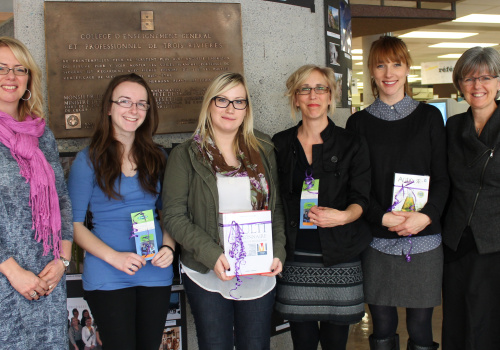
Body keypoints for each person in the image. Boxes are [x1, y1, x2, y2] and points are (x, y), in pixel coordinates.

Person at [163, 72, 286, 350]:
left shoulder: (264, 149)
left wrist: (278, 250)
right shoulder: (186, 154)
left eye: (239, 102)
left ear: (247, 109)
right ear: (209, 104)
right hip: (206, 272)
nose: (230, 109)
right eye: (223, 100)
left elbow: (275, 210)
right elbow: (173, 215)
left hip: (258, 273)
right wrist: (211, 253)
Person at [346, 36, 449, 350]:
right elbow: (357, 186)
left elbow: (443, 180)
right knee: (383, 326)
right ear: (372, 72)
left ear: (407, 68)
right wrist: (384, 216)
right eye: (380, 65)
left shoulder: (430, 118)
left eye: (396, 64)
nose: (388, 72)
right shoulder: (358, 123)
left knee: (420, 328)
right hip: (377, 239)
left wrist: (425, 217)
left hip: (424, 238)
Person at [68, 73, 174, 350]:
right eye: (125, 101)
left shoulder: (158, 157)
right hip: (108, 273)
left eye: (141, 103)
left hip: (155, 271)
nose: (134, 110)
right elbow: (74, 225)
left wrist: (169, 247)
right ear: (109, 107)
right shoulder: (87, 160)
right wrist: (115, 258)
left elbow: (170, 214)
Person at [272, 65, 371, 350]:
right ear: (295, 98)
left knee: (334, 343)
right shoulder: (279, 144)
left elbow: (362, 197)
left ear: (331, 96)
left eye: (320, 89)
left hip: (340, 254)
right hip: (295, 257)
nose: (312, 95)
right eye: (304, 89)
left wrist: (343, 216)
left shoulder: (353, 143)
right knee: (302, 342)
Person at [0, 36, 73, 349]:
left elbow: (63, 201)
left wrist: (63, 262)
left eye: (19, 69)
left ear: (29, 78)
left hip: (47, 279)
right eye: (1, 68)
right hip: (6, 279)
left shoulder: (43, 135)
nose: (11, 77)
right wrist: (13, 271)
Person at [442, 47, 500, 349]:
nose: (478, 86)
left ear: (499, 82)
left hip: (494, 244)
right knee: (456, 321)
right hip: (455, 241)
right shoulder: (452, 127)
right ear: (459, 84)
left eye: (486, 77)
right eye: (469, 79)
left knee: (487, 324)